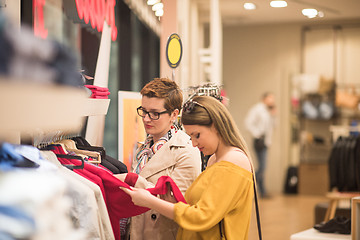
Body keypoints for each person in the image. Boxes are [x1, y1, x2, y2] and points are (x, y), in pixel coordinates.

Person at [120, 95, 256, 240]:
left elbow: (201, 217)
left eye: (197, 135)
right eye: (191, 137)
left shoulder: (232, 162)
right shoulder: (216, 159)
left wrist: (150, 201)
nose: (194, 143)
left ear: (215, 126)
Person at [114, 78, 201, 240]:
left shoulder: (187, 151)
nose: (146, 119)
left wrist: (131, 180)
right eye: (144, 111)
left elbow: (179, 206)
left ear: (174, 114)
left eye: (155, 113)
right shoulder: (144, 147)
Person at [244, 92, 276, 198]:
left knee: (263, 167)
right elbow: (248, 123)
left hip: (266, 142)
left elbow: (273, 126)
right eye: (270, 98)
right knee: (262, 167)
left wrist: (273, 115)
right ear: (264, 99)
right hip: (259, 141)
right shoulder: (257, 109)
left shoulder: (268, 111)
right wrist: (257, 134)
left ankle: (262, 191)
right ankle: (248, 187)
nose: (272, 101)